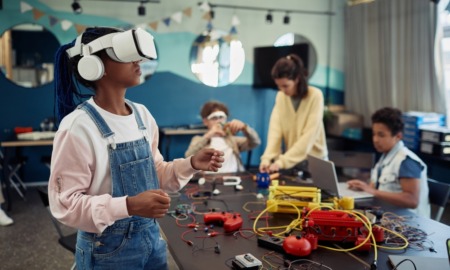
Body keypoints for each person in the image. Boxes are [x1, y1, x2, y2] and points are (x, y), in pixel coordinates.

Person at [48, 26, 224, 269]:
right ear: (94, 65)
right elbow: (66, 205)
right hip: (106, 250)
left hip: (151, 239)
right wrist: (128, 205)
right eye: (124, 52)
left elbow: (156, 173)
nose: (139, 60)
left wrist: (191, 164)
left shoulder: (142, 115)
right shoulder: (78, 127)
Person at [347, 107, 430, 218]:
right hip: (386, 216)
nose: (375, 139)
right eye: (374, 134)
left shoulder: (406, 161)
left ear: (398, 136)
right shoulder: (384, 158)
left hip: (408, 225)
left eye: (381, 135)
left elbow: (412, 201)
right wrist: (364, 187)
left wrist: (372, 191)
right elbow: (375, 188)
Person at [259, 54, 328, 173]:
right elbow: (275, 131)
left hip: (316, 162)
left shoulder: (315, 96)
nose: (282, 90)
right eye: (279, 86)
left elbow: (308, 136)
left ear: (297, 79)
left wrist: (282, 162)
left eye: (286, 86)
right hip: (294, 162)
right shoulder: (281, 97)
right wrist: (267, 159)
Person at [185, 100, 261, 173]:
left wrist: (245, 128)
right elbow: (188, 156)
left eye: (221, 117)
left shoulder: (232, 140)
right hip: (208, 179)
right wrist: (208, 135)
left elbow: (255, 142)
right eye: (214, 118)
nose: (219, 121)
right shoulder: (198, 139)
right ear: (205, 121)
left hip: (234, 176)